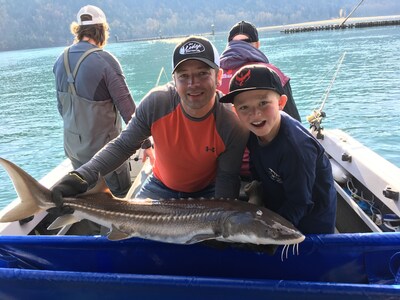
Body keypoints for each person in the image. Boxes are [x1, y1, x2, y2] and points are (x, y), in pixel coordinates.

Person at [51, 36, 249, 207]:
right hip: (160, 186)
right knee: (127, 241)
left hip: (207, 190)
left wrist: (221, 226)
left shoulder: (232, 123)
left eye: (202, 74)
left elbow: (227, 177)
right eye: (184, 76)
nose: (193, 84)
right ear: (174, 79)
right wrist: (82, 176)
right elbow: (123, 146)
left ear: (218, 76)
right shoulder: (157, 103)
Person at [219, 64, 337, 234]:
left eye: (263, 103)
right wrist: (256, 193)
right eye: (244, 107)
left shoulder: (297, 149)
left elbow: (300, 203)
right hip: (277, 208)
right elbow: (256, 166)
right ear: (235, 111)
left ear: (281, 102)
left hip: (310, 227)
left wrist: (265, 234)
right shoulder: (254, 130)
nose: (255, 113)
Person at [53, 5, 153, 197]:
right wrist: (146, 145)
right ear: (102, 30)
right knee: (119, 198)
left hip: (74, 150)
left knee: (86, 198)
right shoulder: (104, 60)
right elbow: (130, 112)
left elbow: (61, 108)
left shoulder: (60, 60)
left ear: (79, 30)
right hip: (106, 155)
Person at [219, 20, 301, 122]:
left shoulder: (213, 75)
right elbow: (293, 121)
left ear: (229, 45)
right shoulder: (272, 73)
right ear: (257, 44)